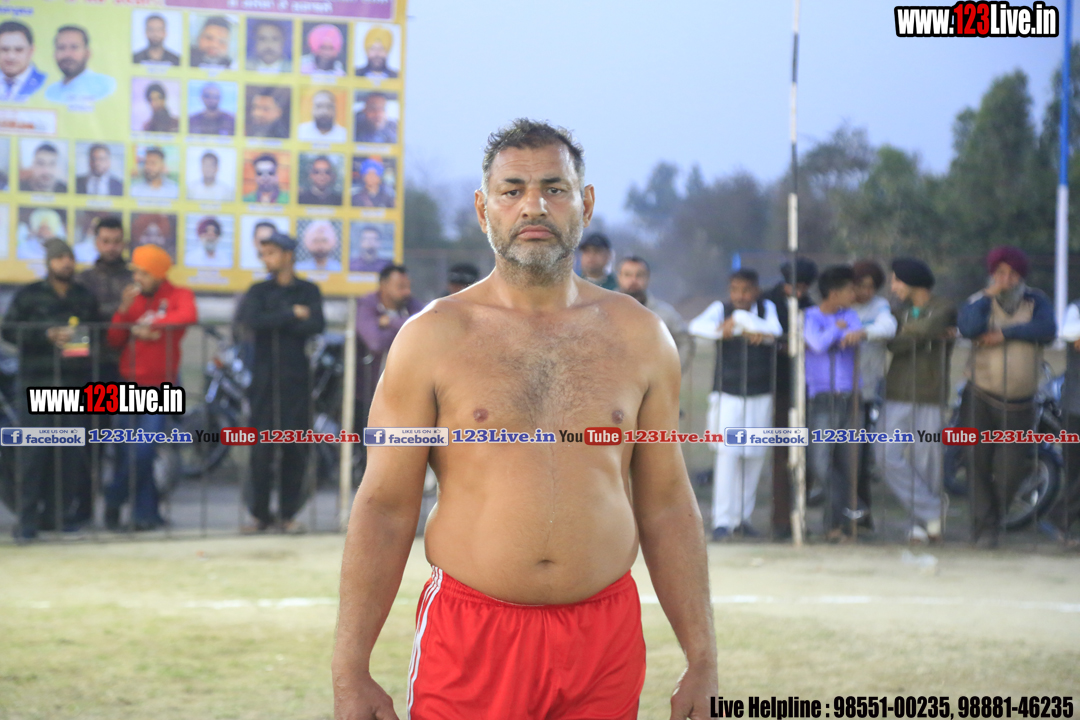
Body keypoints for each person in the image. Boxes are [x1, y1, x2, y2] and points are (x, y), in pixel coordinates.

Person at [333, 120, 717, 720]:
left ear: (585, 203)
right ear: (482, 207)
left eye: (554, 188)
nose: (533, 206)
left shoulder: (641, 336)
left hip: (603, 641)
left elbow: (667, 503)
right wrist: (350, 670)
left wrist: (703, 659)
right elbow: (384, 507)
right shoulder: (431, 338)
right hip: (473, 638)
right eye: (512, 190)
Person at [957, 246, 1056, 549]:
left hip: (1020, 402)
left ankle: (993, 519)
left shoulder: (1036, 300)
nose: (1006, 279)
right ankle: (984, 531)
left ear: (1021, 277)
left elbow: (1047, 329)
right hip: (979, 396)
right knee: (976, 462)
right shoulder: (979, 301)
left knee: (1011, 469)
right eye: (1000, 273)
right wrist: (988, 296)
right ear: (992, 274)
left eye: (1013, 274)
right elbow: (969, 327)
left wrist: (1005, 334)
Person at [3, 238, 101, 542]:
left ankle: (57, 517)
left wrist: (75, 339)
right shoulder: (29, 295)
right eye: (59, 258)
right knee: (33, 454)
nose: (65, 263)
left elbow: (97, 333)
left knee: (67, 455)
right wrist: (46, 335)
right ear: (48, 262)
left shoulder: (84, 296)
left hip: (72, 384)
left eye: (69, 257)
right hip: (37, 383)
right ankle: (27, 521)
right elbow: (9, 330)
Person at [105, 245, 197, 531]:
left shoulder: (178, 295)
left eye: (143, 273)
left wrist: (155, 325)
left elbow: (188, 316)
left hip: (160, 386)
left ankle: (113, 498)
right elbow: (114, 339)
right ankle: (144, 514)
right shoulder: (132, 299)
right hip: (128, 384)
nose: (137, 278)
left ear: (157, 274)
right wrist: (123, 312)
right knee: (125, 451)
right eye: (136, 272)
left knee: (144, 451)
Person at [238, 232, 325, 533]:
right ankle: (259, 514)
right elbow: (253, 320)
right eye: (263, 254)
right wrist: (291, 314)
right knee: (260, 448)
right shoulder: (259, 291)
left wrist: (278, 319)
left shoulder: (308, 290)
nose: (266, 259)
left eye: (271, 253)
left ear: (288, 255)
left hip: (296, 380)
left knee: (294, 447)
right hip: (263, 379)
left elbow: (316, 324)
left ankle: (288, 514)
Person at [690, 268, 782, 540]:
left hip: (760, 392)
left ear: (756, 291)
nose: (739, 296)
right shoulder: (721, 309)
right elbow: (695, 327)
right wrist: (725, 329)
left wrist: (742, 321)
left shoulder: (767, 309)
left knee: (753, 455)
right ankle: (723, 521)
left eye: (745, 290)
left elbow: (775, 331)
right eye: (734, 290)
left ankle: (742, 518)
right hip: (727, 393)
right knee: (727, 456)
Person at [882, 258, 957, 544]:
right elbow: (892, 343)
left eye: (897, 280)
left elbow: (929, 327)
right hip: (896, 392)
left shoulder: (944, 307)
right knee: (885, 455)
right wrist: (922, 332)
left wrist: (912, 331)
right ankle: (933, 510)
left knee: (927, 460)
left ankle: (922, 526)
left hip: (930, 393)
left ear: (912, 281)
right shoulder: (896, 311)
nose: (893, 287)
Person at [804, 265, 865, 542]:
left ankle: (836, 527)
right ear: (833, 292)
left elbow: (856, 333)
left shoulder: (850, 315)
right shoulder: (809, 316)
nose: (855, 294)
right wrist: (834, 330)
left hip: (850, 397)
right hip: (822, 397)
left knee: (848, 462)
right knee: (820, 462)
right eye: (850, 289)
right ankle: (849, 508)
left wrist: (837, 331)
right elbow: (816, 343)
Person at [762, 257, 817, 539]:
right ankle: (781, 519)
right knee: (781, 453)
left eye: (804, 287)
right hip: (775, 386)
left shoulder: (810, 306)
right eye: (795, 285)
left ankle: (800, 514)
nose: (799, 291)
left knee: (804, 452)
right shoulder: (766, 302)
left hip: (804, 388)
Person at [850, 259, 897, 528]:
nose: (865, 292)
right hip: (839, 389)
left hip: (867, 391)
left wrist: (862, 333)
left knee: (859, 455)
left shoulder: (879, 306)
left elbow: (888, 327)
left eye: (870, 287)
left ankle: (862, 513)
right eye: (860, 285)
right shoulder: (843, 304)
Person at [75, 216, 131, 381]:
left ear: (124, 243)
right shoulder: (82, 280)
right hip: (90, 361)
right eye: (106, 241)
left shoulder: (135, 279)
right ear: (96, 243)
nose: (111, 247)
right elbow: (76, 319)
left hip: (128, 358)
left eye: (116, 241)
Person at [618, 255, 693, 372]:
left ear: (647, 278)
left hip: (653, 380)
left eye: (639, 275)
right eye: (627, 275)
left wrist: (672, 373)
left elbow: (685, 343)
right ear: (619, 277)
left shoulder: (665, 314)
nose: (633, 280)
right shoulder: (605, 311)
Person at [1055, 296, 1080, 542]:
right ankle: (1063, 523)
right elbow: (1068, 333)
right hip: (1075, 404)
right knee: (1073, 469)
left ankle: (1061, 517)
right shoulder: (1076, 308)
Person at [44, 25, 114, 104]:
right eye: (61, 48)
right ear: (54, 54)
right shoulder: (50, 92)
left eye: (74, 47)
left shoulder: (105, 86)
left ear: (87, 53)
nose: (67, 54)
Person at [0, 21, 46, 101]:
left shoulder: (45, 82)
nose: (11, 56)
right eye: (4, 49)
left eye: (19, 50)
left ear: (31, 51)